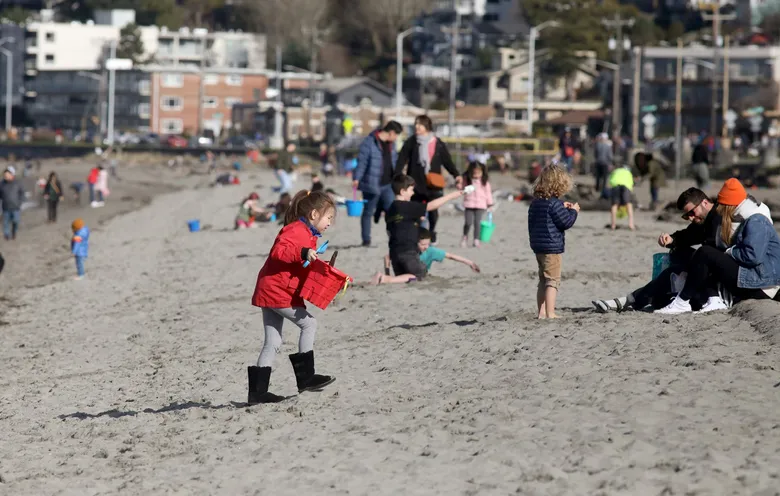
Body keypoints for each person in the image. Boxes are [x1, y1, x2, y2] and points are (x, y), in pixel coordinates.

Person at [248, 190, 337, 405]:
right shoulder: (295, 230)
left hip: (272, 289)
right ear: (315, 214)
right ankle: (306, 378)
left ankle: (257, 393)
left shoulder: (309, 236)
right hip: (277, 291)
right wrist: (303, 252)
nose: (330, 223)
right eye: (329, 218)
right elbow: (280, 251)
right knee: (309, 325)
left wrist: (323, 270)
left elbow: (302, 266)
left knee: (273, 341)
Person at [656, 179, 780, 314]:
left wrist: (729, 251)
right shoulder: (740, 217)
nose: (719, 208)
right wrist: (673, 240)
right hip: (755, 277)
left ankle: (683, 301)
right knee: (701, 256)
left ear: (730, 204)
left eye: (722, 204)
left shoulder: (756, 219)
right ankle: (704, 298)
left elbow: (753, 256)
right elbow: (692, 234)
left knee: (706, 253)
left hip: (761, 283)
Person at [592, 188, 722, 313]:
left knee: (674, 272)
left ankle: (628, 300)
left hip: (719, 279)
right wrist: (671, 239)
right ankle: (634, 299)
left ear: (705, 202)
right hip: (708, 272)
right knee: (677, 255)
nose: (691, 218)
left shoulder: (718, 218)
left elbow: (713, 253)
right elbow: (687, 236)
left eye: (691, 213)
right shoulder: (705, 219)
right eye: (686, 216)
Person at [381, 174, 466, 283]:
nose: (413, 193)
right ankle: (387, 279)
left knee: (406, 278)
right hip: (408, 252)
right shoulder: (406, 206)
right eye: (411, 190)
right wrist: (452, 196)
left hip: (395, 254)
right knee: (420, 274)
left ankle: (386, 279)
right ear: (402, 191)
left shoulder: (391, 210)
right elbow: (430, 206)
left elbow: (390, 231)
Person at [396, 115, 462, 244]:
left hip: (433, 183)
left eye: (419, 124)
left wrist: (456, 175)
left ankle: (432, 233)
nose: (416, 127)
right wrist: (397, 176)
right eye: (416, 124)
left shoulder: (437, 143)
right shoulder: (411, 142)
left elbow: (447, 161)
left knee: (433, 211)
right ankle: (418, 234)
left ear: (427, 126)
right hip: (414, 182)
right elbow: (401, 160)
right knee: (415, 211)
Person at [528, 165, 579, 319]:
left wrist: (563, 207)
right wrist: (573, 211)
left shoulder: (536, 203)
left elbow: (540, 217)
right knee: (553, 280)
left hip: (538, 246)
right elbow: (566, 222)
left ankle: (541, 312)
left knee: (543, 280)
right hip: (552, 247)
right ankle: (551, 312)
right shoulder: (554, 204)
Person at [353, 120, 403, 247]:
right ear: (391, 132)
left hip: (388, 184)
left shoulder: (391, 144)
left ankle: (395, 238)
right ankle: (366, 240)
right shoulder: (369, 142)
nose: (396, 138)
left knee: (392, 211)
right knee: (368, 211)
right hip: (371, 183)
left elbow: (395, 160)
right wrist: (356, 178)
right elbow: (362, 162)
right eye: (396, 135)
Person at [371, 228, 479, 284]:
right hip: (411, 276)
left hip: (407, 277)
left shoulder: (431, 251)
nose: (426, 247)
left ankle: (386, 279)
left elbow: (450, 256)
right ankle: (386, 279)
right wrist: (387, 274)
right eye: (423, 244)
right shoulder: (408, 249)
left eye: (428, 244)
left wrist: (470, 263)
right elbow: (387, 257)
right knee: (414, 278)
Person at [461, 161, 494, 248]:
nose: (476, 175)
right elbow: (461, 189)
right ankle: (465, 237)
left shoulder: (484, 181)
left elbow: (488, 193)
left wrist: (490, 204)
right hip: (469, 204)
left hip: (481, 205)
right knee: (468, 222)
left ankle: (476, 239)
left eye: (478, 173)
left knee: (477, 223)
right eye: (474, 173)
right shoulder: (467, 180)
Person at [608, 164, 636, 230]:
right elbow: (631, 184)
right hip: (626, 186)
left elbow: (610, 181)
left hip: (615, 185)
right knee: (628, 204)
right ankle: (631, 224)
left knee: (614, 205)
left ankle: (613, 225)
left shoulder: (615, 171)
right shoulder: (628, 172)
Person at [0, 167, 25, 241]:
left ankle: (14, 232)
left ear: (12, 175)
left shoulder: (17, 183)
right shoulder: (1, 184)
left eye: (7, 175)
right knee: (6, 223)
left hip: (16, 207)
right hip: (5, 207)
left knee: (16, 221)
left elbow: (22, 193)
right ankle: (7, 235)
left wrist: (20, 202)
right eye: (5, 175)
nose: (6, 176)